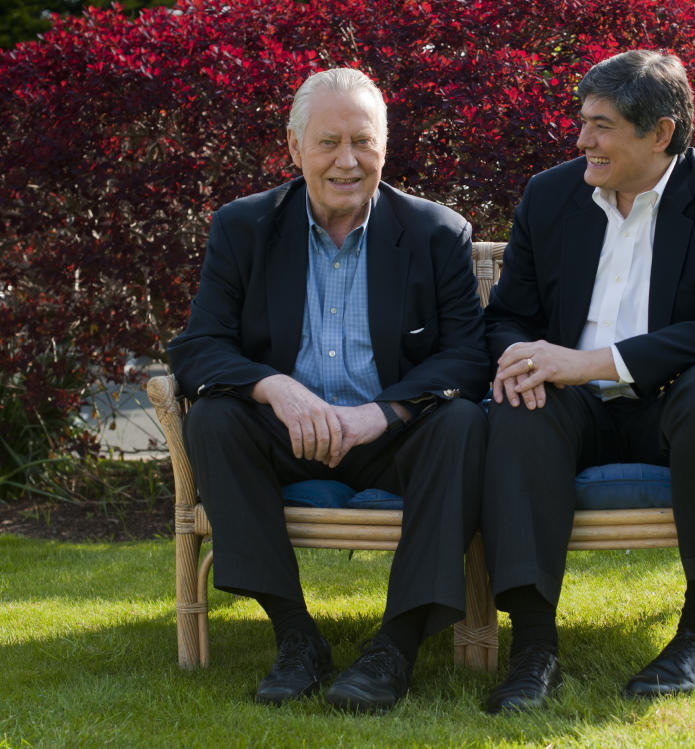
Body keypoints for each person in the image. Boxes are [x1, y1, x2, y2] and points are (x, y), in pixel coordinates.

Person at [168, 68, 490, 712]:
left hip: (390, 439)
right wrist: (273, 387)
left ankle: (394, 648)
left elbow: (469, 356)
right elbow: (196, 348)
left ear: (385, 146)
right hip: (287, 433)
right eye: (328, 143)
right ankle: (296, 637)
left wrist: (386, 411)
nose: (348, 161)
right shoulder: (244, 227)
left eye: (363, 142)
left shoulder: (434, 232)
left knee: (460, 425)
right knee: (213, 417)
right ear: (294, 148)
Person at [480, 50, 695, 712]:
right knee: (515, 406)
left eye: (602, 125)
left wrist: (590, 361)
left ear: (661, 133)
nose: (583, 138)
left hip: (674, 407)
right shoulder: (551, 195)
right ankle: (533, 651)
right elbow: (505, 319)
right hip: (568, 409)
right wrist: (522, 360)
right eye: (584, 121)